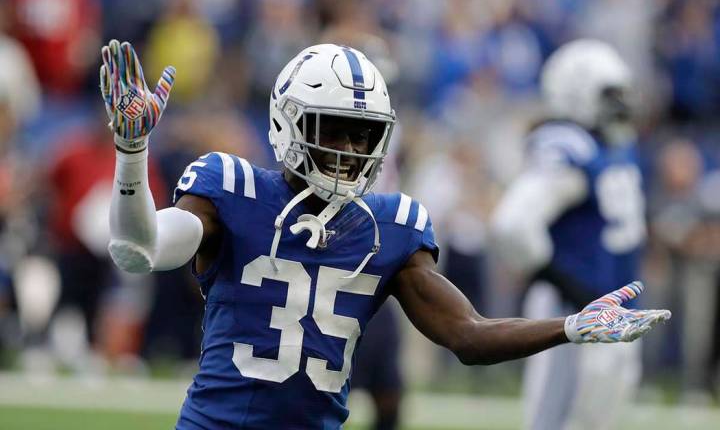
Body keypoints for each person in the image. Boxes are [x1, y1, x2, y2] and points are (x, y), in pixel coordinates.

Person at [101, 39, 670, 430]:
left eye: (361, 135)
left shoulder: (391, 226)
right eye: (334, 131)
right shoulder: (232, 188)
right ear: (287, 122)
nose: (348, 151)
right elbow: (140, 249)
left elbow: (468, 335)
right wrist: (132, 154)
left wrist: (568, 327)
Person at [490, 39, 650, 430]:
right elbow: (512, 224)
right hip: (572, 309)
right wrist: (567, 283)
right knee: (554, 421)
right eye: (610, 95)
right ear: (577, 93)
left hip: (615, 309)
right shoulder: (568, 144)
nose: (622, 105)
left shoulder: (612, 146)